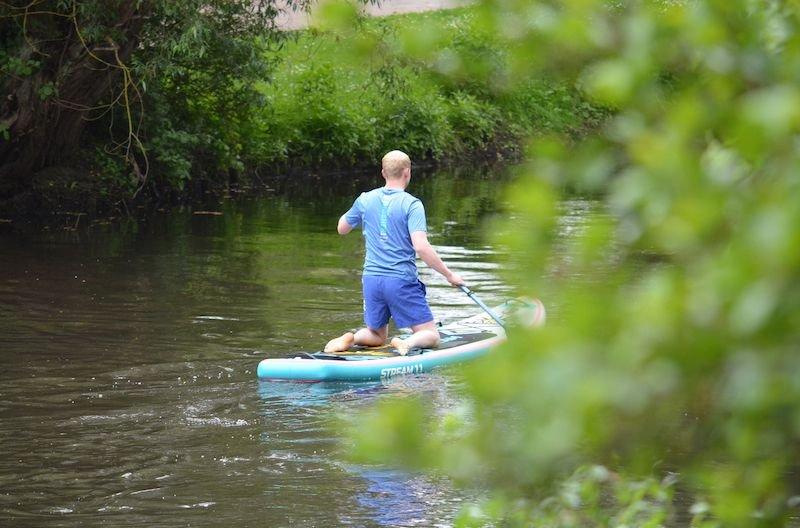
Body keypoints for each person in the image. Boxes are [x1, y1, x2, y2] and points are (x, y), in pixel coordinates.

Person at [324, 150, 465, 355]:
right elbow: (421, 247)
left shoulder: (365, 199)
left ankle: (351, 338)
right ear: (407, 173)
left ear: (383, 173)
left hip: (371, 279)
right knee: (432, 335)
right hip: (400, 280)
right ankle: (407, 343)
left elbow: (342, 228)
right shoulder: (412, 204)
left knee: (377, 335)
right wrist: (449, 275)